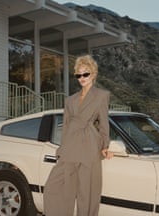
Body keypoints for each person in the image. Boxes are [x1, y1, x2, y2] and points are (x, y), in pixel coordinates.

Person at [43, 55, 113, 216]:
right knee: (54, 187)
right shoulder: (70, 100)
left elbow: (104, 123)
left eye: (85, 74)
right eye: (78, 75)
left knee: (86, 194)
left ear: (93, 74)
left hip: (89, 145)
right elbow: (66, 126)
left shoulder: (102, 95)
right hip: (70, 147)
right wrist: (61, 148)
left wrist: (105, 146)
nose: (82, 78)